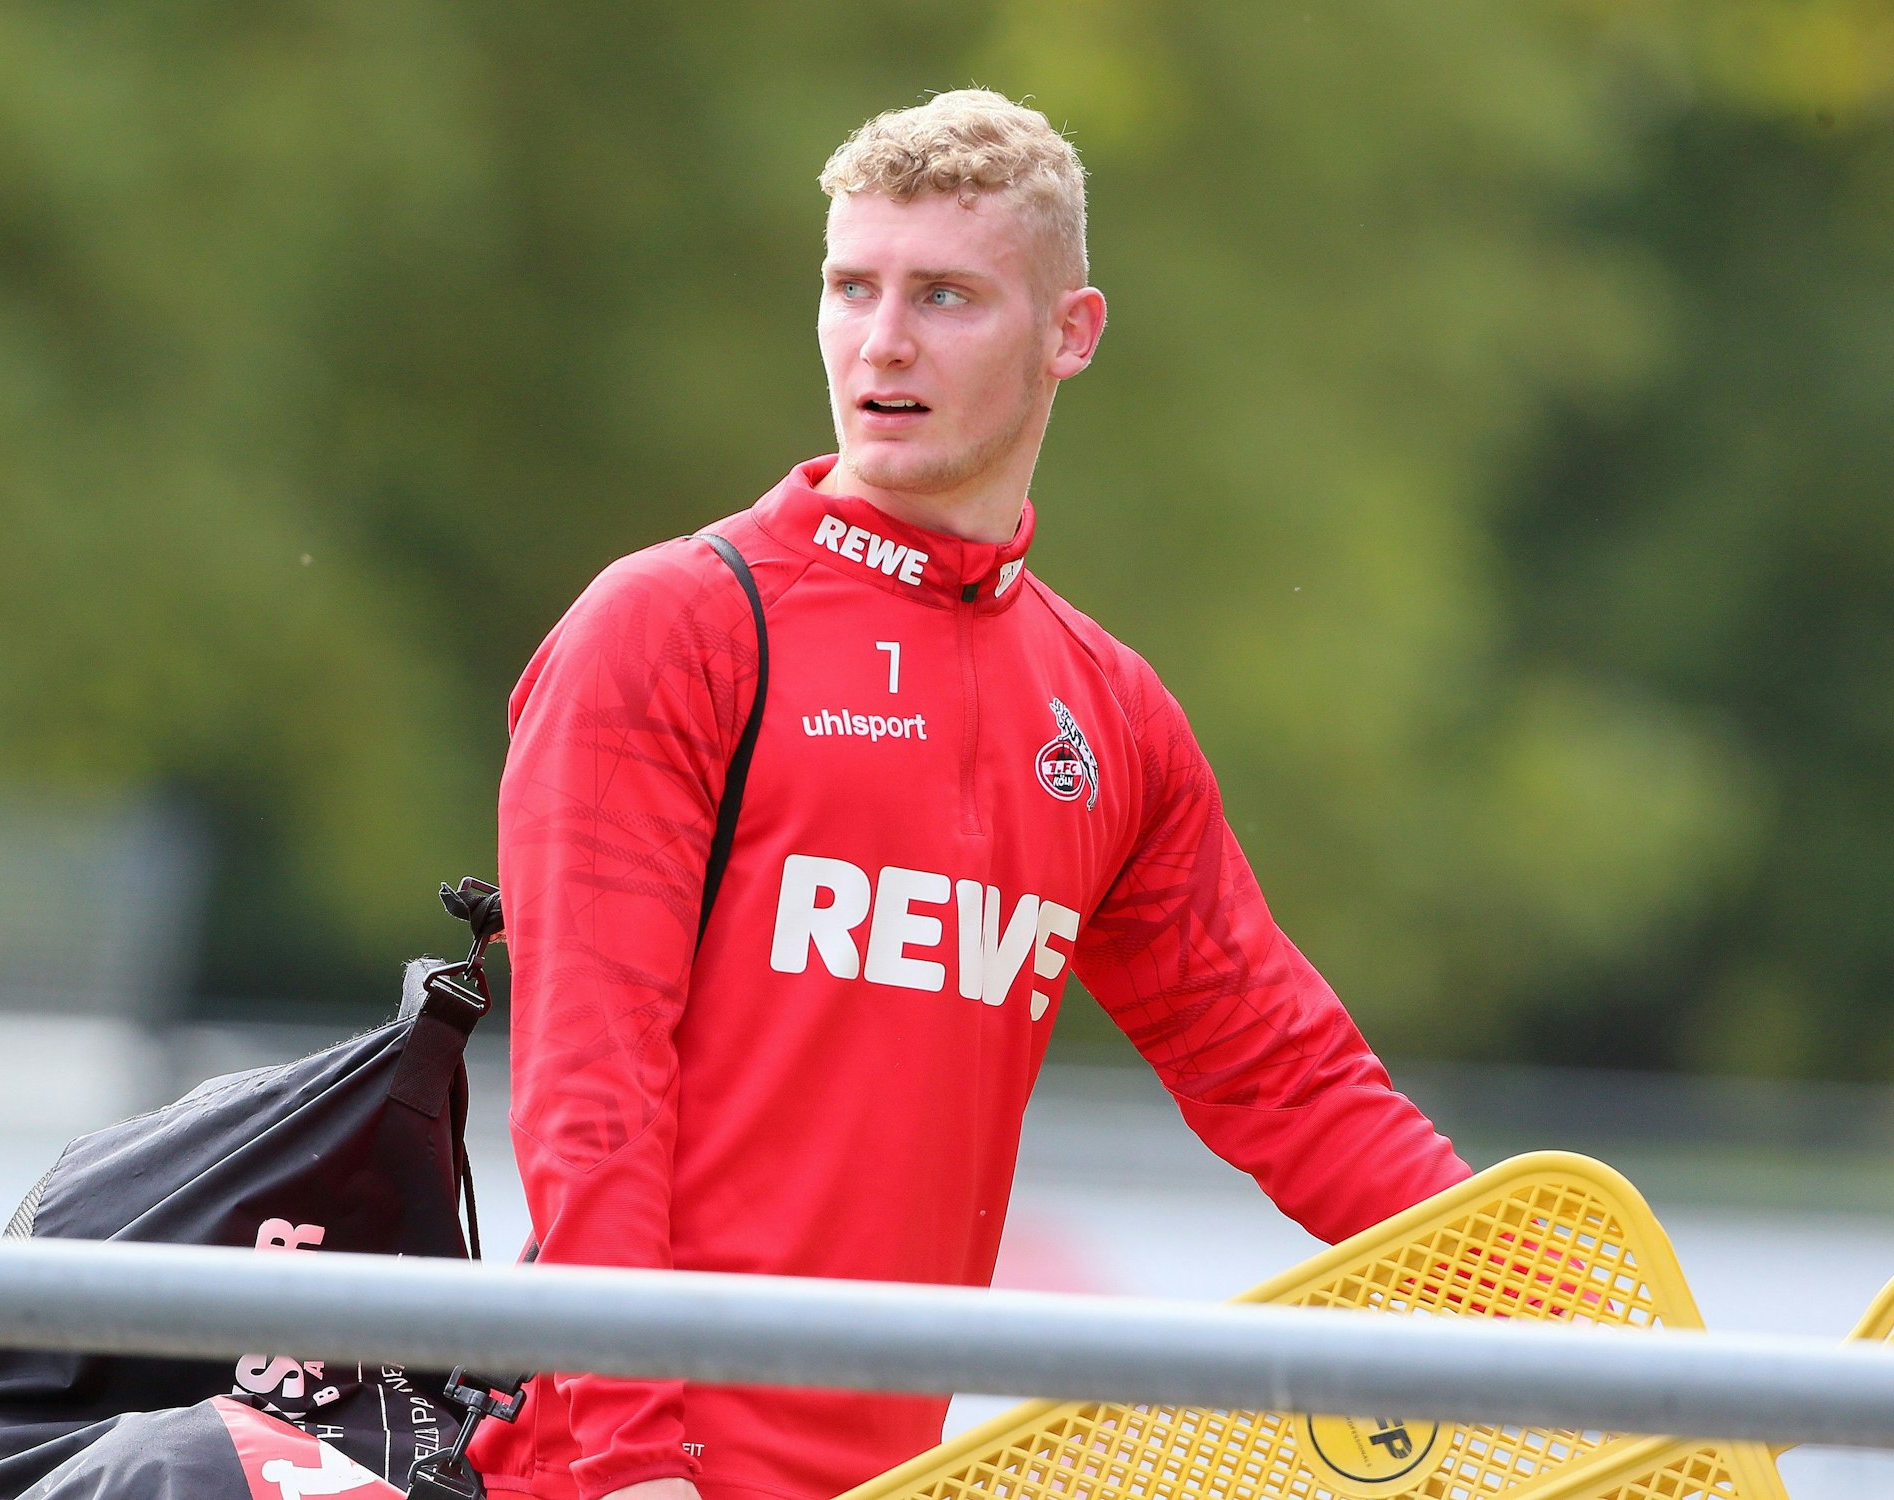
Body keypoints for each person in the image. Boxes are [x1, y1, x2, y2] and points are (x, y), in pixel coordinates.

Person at [474, 89, 1469, 1500]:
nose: (882, 341)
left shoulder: (1112, 713)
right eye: (850, 287)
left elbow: (1291, 1084)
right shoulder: (670, 626)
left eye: (945, 295)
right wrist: (635, 1467)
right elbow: (590, 1094)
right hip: (608, 1477)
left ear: (1072, 333)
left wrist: (1587, 1330)